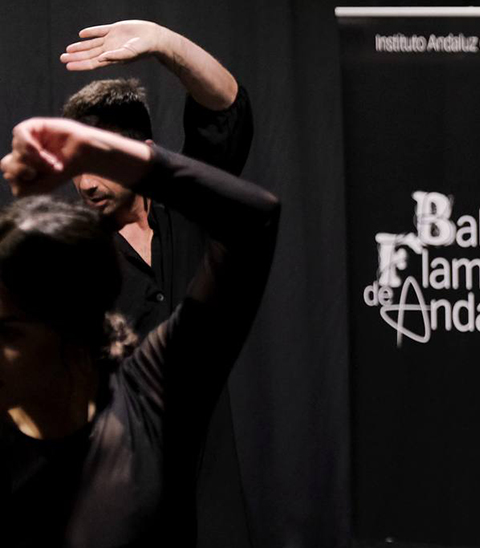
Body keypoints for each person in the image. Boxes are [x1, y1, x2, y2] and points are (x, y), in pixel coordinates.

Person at [0, 117, 279, 547]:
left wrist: (106, 153)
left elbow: (254, 220)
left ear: (71, 329)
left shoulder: (145, 403)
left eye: (10, 333)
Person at [59, 19, 253, 336]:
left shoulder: (189, 206)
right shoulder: (72, 255)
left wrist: (166, 44)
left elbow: (227, 112)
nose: (86, 184)